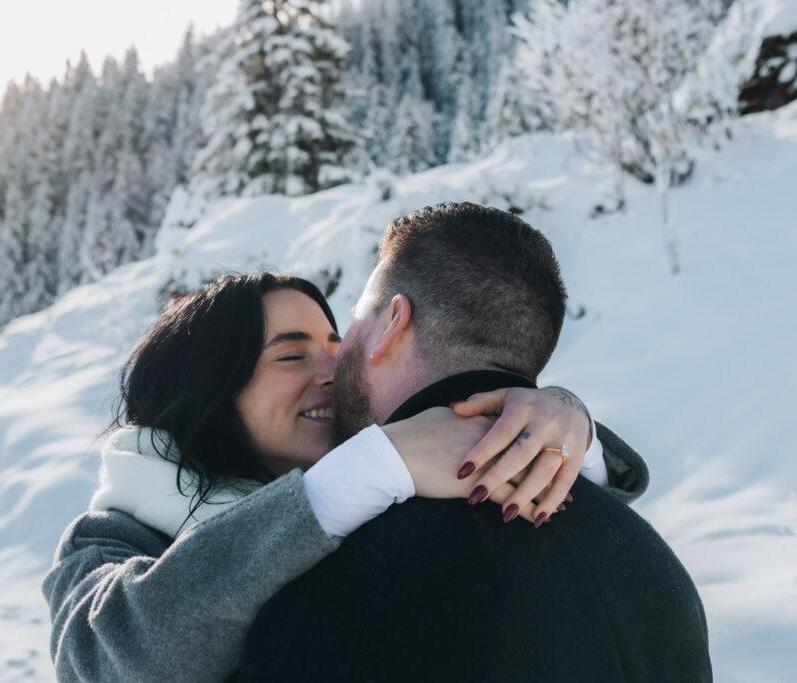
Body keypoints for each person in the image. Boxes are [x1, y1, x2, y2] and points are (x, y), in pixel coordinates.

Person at [42, 270, 648, 682]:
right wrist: (352, 479)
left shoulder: (385, 481)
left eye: (336, 345)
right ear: (207, 389)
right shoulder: (107, 540)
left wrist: (563, 429)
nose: (334, 370)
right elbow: (113, 658)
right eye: (290, 354)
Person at [239, 203, 711, 682]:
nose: (333, 365)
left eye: (355, 321)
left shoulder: (332, 586)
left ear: (390, 325)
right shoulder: (655, 566)